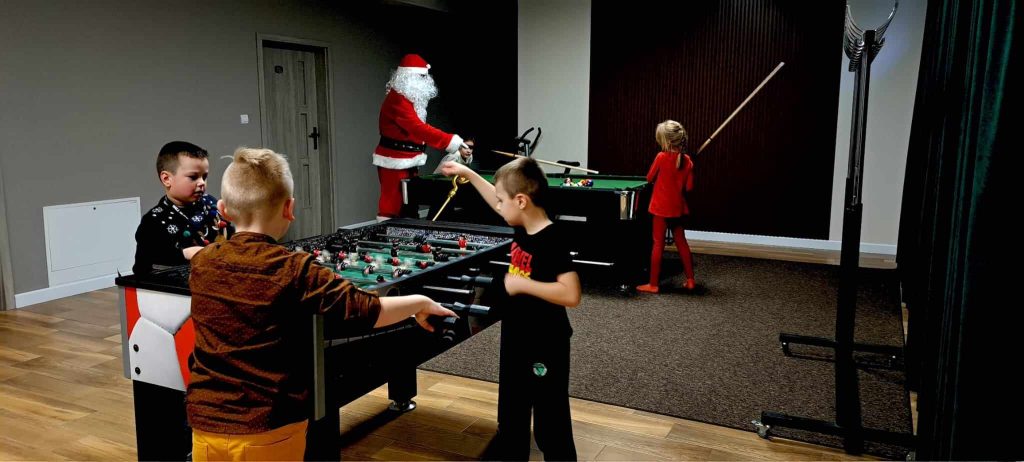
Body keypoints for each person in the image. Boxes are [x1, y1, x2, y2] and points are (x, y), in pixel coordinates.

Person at [186, 147, 457, 461]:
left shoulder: (203, 262)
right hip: (269, 427)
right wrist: (419, 302)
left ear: (223, 209)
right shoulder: (295, 268)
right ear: (289, 208)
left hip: (205, 423)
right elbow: (367, 310)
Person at [440, 157, 581, 461]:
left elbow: (571, 294)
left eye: (503, 201)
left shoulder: (551, 238)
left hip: (546, 342)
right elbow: (496, 199)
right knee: (512, 415)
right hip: (517, 334)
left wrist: (523, 285)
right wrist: (467, 173)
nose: (498, 206)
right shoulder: (521, 223)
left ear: (521, 201)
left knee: (550, 423)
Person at [373, 53, 463, 221]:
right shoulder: (398, 100)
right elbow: (417, 128)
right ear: (408, 78)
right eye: (421, 77)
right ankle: (388, 233)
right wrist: (450, 141)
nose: (425, 81)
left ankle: (409, 232)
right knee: (392, 205)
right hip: (394, 159)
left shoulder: (409, 99)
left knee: (409, 202)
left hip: (408, 158)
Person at [133, 141, 232, 275]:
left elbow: (231, 235)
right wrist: (183, 254)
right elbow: (142, 269)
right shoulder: (152, 222)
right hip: (180, 284)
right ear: (166, 179)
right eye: (193, 177)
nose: (202, 182)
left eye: (204, 177)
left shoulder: (211, 204)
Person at [637, 120, 696, 293]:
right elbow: (689, 188)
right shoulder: (687, 161)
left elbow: (649, 178)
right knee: (682, 242)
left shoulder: (661, 157)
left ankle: (653, 284)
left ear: (667, 141)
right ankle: (691, 280)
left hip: (661, 209)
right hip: (677, 208)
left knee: (658, 244)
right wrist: (688, 169)